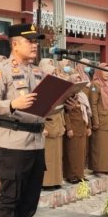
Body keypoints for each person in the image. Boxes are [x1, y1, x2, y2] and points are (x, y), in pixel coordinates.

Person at [0, 23, 50, 217]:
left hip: (36, 142)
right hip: (12, 143)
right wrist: (14, 103)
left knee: (30, 197)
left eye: (36, 41)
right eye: (29, 41)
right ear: (15, 44)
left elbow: (40, 105)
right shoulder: (0, 71)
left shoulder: (37, 72)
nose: (35, 45)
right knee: (11, 198)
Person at [39, 59, 67, 190]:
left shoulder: (56, 89)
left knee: (56, 156)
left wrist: (63, 124)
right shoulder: (39, 88)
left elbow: (60, 109)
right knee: (47, 156)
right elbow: (37, 112)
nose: (55, 74)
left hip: (57, 125)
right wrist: (42, 127)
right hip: (47, 127)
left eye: (55, 71)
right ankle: (46, 182)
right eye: (51, 72)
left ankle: (56, 180)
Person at [89, 63, 108, 176]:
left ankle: (104, 167)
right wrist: (95, 121)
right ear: (99, 72)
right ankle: (97, 168)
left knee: (106, 145)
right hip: (100, 120)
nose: (107, 74)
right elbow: (93, 104)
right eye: (104, 71)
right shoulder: (95, 85)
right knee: (99, 145)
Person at [63, 73, 91, 183]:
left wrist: (89, 126)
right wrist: (68, 128)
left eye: (80, 80)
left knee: (81, 153)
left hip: (82, 127)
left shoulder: (82, 95)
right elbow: (65, 113)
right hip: (73, 129)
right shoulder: (67, 95)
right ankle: (71, 176)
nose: (78, 83)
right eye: (76, 80)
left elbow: (87, 113)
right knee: (72, 153)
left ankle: (80, 174)